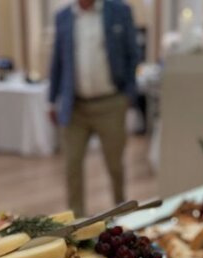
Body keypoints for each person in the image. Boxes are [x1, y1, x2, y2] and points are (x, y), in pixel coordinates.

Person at [48, 0, 140, 216]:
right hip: (74, 107)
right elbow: (57, 62)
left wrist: (129, 93)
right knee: (72, 166)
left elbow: (133, 54)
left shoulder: (120, 11)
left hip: (111, 103)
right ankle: (76, 222)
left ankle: (121, 215)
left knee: (115, 165)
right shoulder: (63, 16)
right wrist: (51, 100)